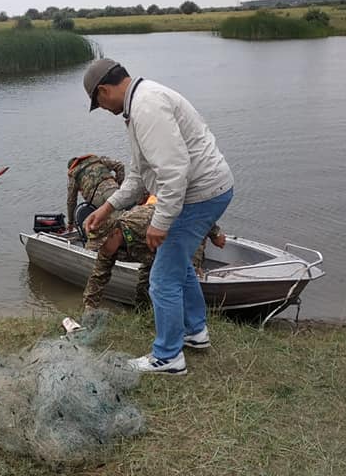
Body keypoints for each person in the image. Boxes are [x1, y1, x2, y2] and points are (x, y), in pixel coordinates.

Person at [82, 58, 234, 375]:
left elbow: (174, 173)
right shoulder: (139, 103)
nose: (104, 109)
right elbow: (138, 176)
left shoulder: (146, 107)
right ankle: (195, 331)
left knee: (162, 279)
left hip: (200, 196)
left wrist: (159, 223)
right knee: (177, 264)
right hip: (208, 191)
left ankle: (167, 357)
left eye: (98, 102)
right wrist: (107, 207)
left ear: (103, 91)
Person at [81, 203, 225, 313]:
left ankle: (191, 325)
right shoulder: (108, 249)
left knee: (184, 279)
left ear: (116, 233)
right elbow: (98, 277)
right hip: (153, 254)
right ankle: (145, 319)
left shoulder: (143, 221)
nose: (100, 250)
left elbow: (190, 213)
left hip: (184, 238)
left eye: (102, 244)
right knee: (144, 290)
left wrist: (215, 233)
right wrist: (90, 309)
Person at [65, 154, 124, 231]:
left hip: (96, 199)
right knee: (122, 218)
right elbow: (120, 166)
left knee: (107, 224)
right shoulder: (98, 160)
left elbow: (71, 201)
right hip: (113, 189)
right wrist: (119, 184)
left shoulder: (74, 175)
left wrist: (70, 222)